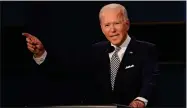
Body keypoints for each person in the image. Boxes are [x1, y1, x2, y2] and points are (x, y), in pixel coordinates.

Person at [23, 3, 159, 108]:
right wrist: (41, 54)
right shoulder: (96, 50)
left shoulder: (146, 49)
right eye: (107, 25)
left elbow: (150, 80)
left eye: (116, 23)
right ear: (101, 27)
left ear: (127, 24)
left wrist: (140, 100)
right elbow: (66, 72)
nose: (112, 30)